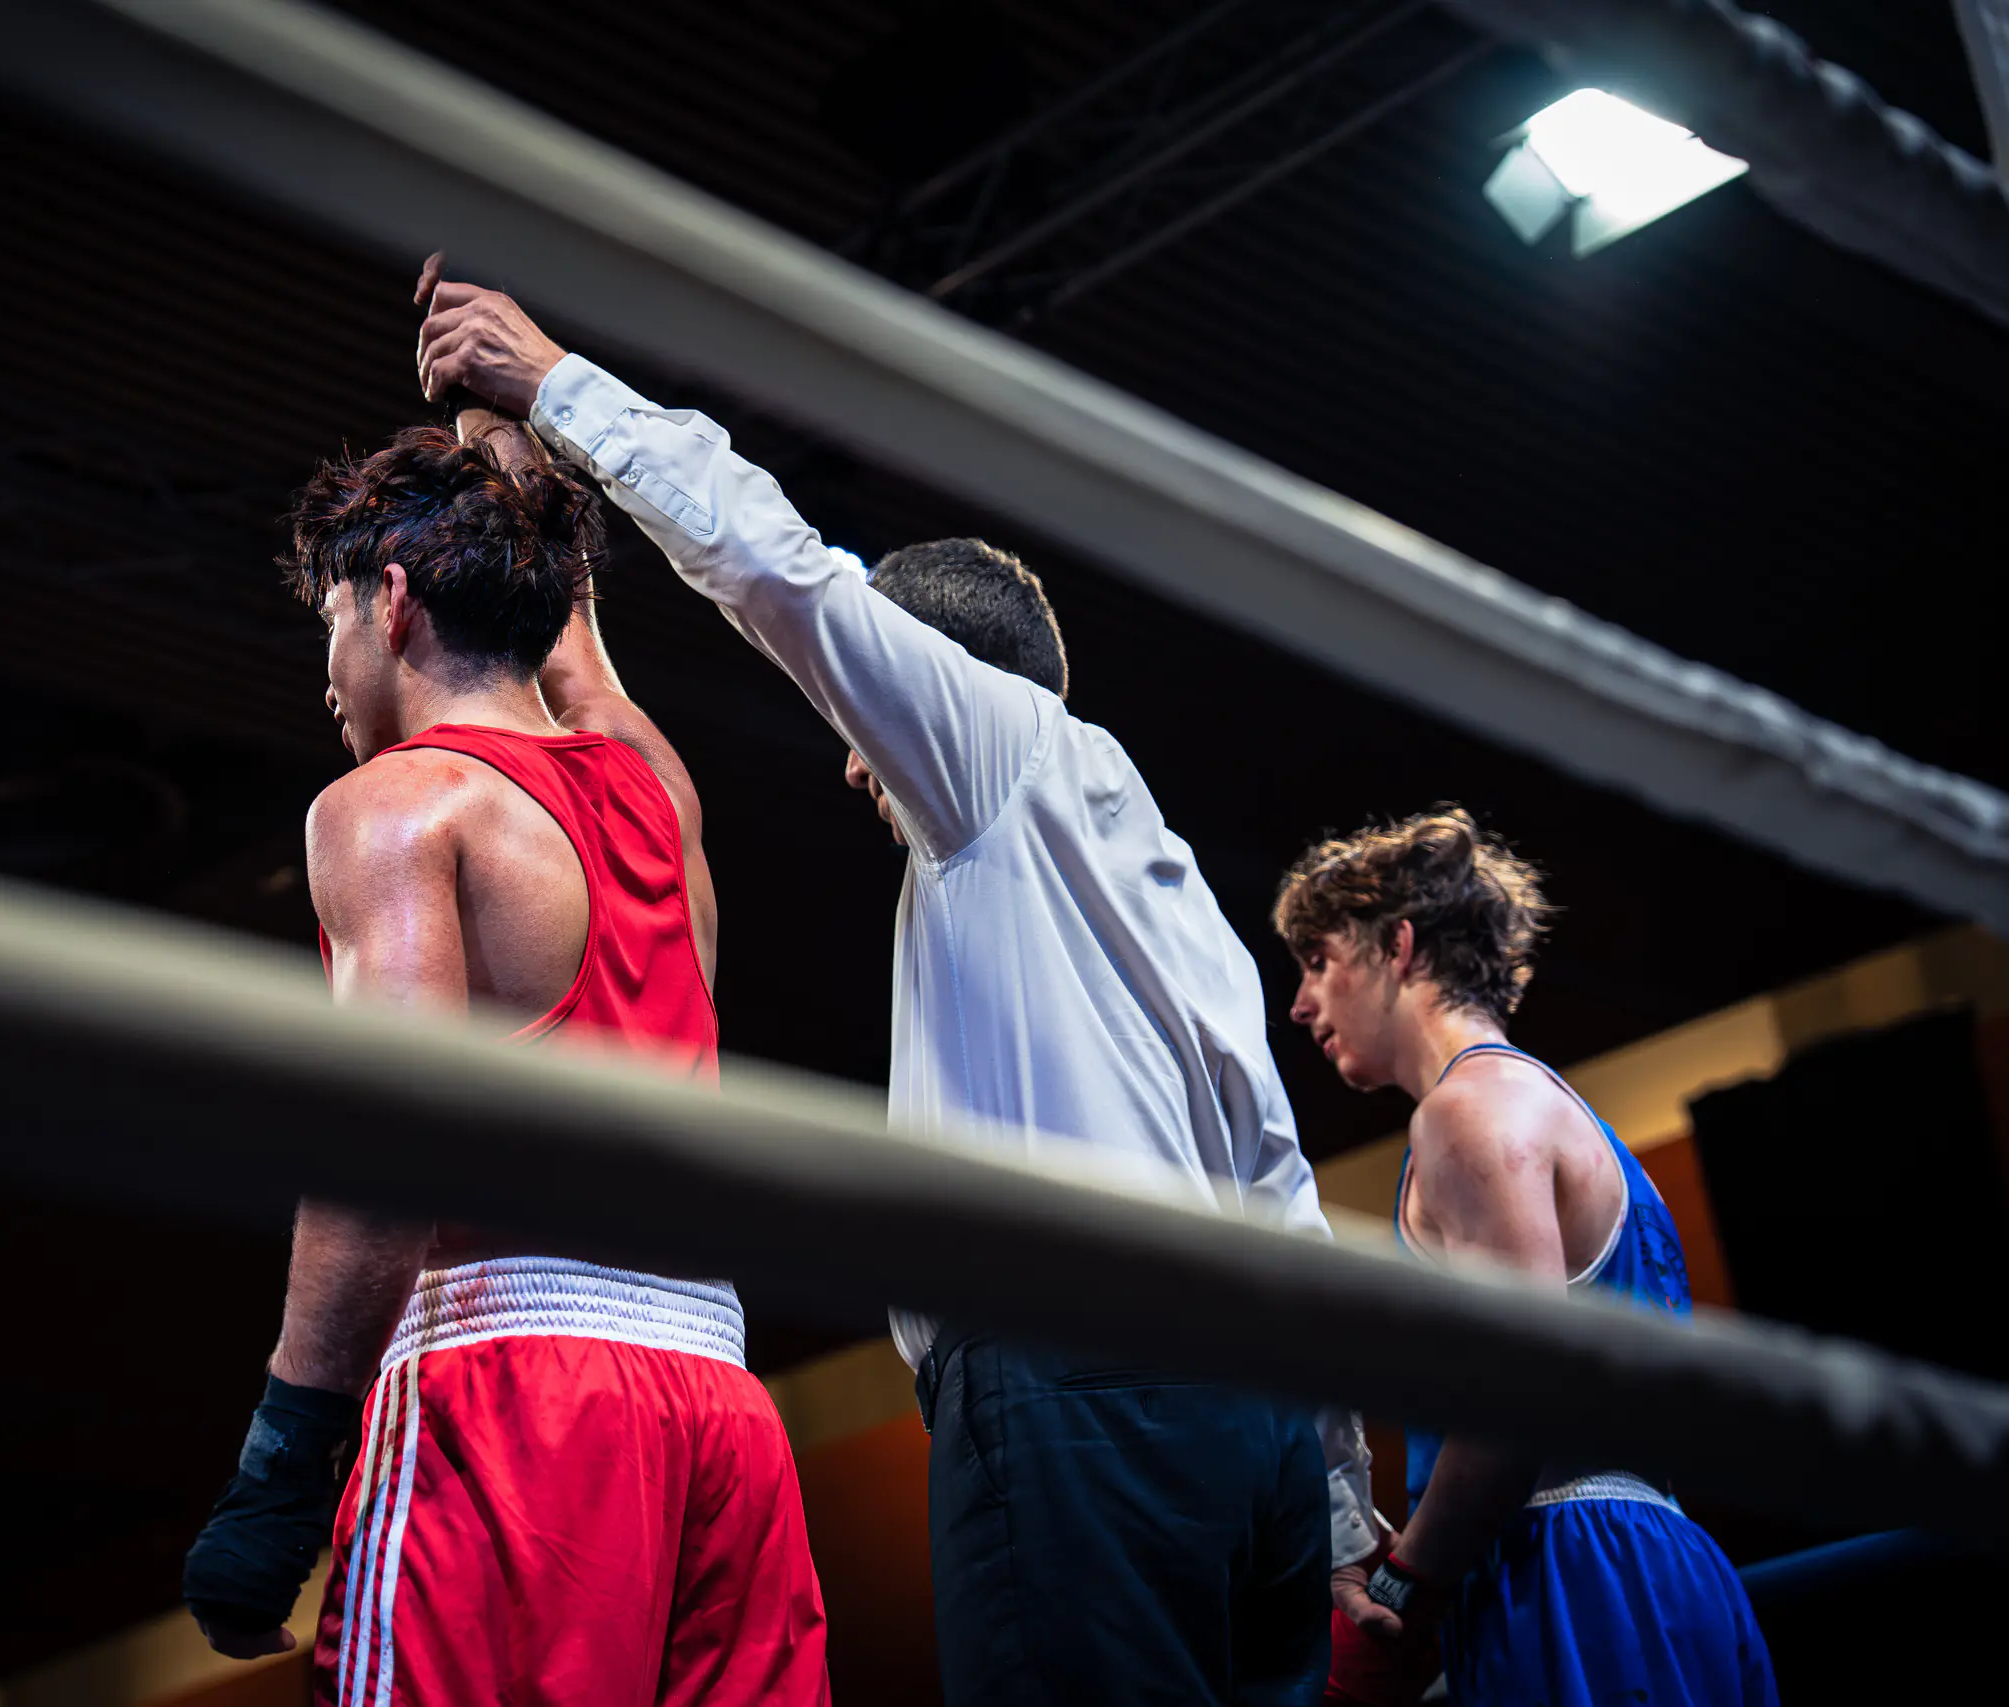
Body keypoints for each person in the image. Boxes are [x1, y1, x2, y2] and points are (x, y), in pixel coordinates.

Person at [416, 256, 1373, 1707]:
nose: (858, 765)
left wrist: (553, 385)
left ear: (931, 679)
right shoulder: (1160, 871)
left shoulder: (991, 754)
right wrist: (1344, 1507)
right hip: (1254, 1432)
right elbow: (1279, 1174)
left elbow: (778, 568)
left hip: (1077, 1383)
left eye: (872, 726)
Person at [179, 414, 828, 1707]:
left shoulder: (397, 805)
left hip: (515, 1401)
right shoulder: (652, 789)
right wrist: (525, 481)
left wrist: (282, 1463)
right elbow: (583, 677)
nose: (328, 665)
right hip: (722, 1408)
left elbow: (391, 1146)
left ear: (393, 598)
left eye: (331, 613)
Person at [1275, 808, 1777, 1707]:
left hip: (1567, 1572)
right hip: (1657, 1560)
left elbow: (1518, 1398)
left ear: (1397, 945)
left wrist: (1400, 1588)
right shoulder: (1570, 1116)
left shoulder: (1467, 1113)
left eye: (1319, 960)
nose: (1301, 1002)